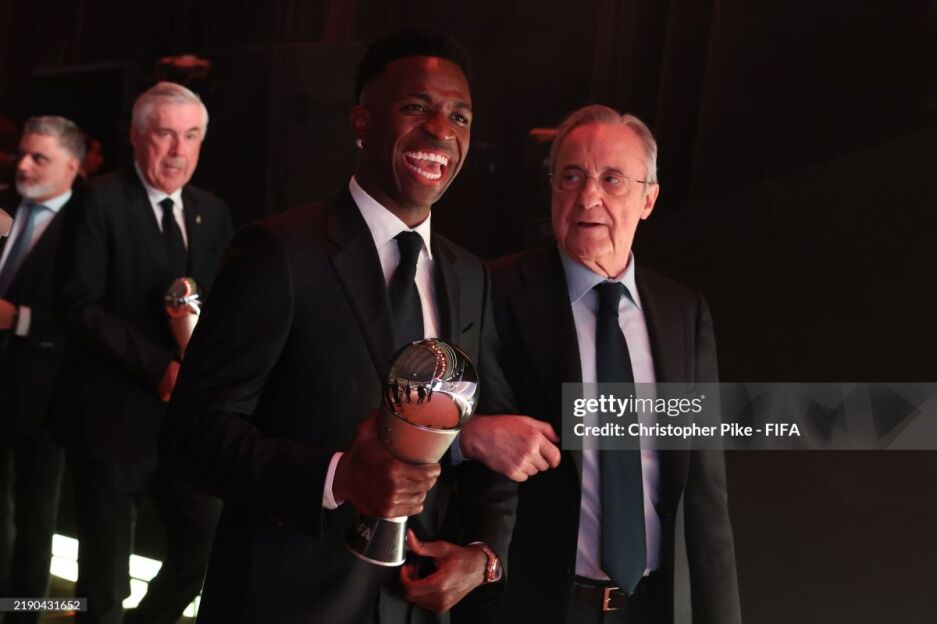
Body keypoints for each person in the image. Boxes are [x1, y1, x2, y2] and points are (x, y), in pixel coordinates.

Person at [158, 30, 518, 624]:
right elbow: (189, 436)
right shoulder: (278, 253)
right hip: (287, 604)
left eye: (459, 116)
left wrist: (483, 555)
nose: (440, 130)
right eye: (416, 107)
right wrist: (337, 477)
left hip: (415, 605)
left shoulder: (469, 275)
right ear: (362, 123)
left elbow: (484, 432)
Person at [463, 105, 742, 623]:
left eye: (612, 179)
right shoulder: (490, 292)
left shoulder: (683, 313)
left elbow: (706, 499)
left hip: (654, 608)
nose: (588, 197)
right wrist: (470, 432)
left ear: (648, 199)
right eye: (571, 177)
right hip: (536, 607)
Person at [55, 82, 233, 624]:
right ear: (136, 137)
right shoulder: (98, 199)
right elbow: (79, 306)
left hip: (187, 428)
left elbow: (224, 306)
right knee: (103, 583)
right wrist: (161, 368)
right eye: (165, 135)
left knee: (203, 551)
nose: (178, 150)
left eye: (191, 136)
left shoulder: (212, 211)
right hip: (113, 423)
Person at [0, 116, 84, 624]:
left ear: (72, 166)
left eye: (39, 158)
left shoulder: (87, 225)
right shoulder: (5, 204)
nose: (24, 165)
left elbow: (88, 317)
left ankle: (23, 613)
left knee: (36, 520)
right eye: (22, 154)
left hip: (48, 395)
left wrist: (19, 318)